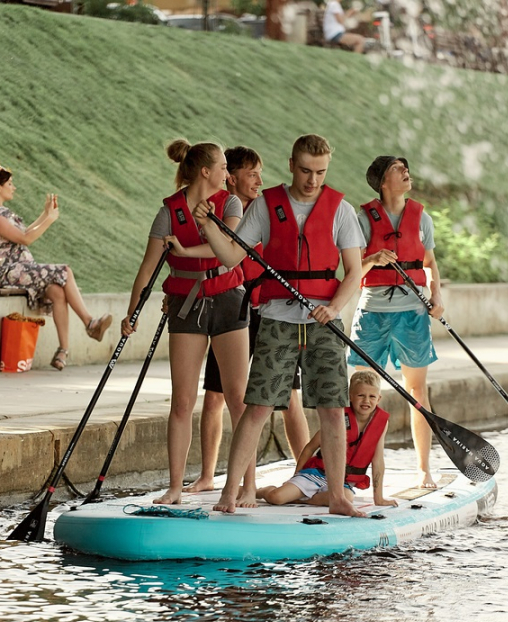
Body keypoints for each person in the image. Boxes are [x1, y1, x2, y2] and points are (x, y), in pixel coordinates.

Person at [192, 133, 366, 518]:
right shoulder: (267, 206)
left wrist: (335, 306)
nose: (313, 180)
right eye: (305, 170)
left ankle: (337, 497)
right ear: (291, 164)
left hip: (324, 322)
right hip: (277, 321)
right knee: (256, 408)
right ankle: (230, 493)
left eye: (320, 172)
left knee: (333, 409)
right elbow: (234, 256)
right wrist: (208, 228)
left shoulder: (341, 209)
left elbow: (354, 273)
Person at [123, 139, 251, 505]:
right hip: (185, 305)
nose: (230, 174)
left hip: (228, 301)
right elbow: (148, 268)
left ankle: (247, 485)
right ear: (206, 171)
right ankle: (175, 487)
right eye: (224, 167)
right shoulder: (168, 213)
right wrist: (131, 313)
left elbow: (224, 246)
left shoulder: (230, 203)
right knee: (182, 401)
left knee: (238, 398)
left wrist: (184, 250)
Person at [187, 146, 310, 493]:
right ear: (232, 176)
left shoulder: (269, 211)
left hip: (271, 311)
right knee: (214, 396)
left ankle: (307, 476)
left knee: (287, 395)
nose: (260, 180)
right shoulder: (221, 209)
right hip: (232, 310)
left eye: (260, 173)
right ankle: (209, 475)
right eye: (252, 173)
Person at [349, 155, 443, 489]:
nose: (406, 172)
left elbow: (430, 263)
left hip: (413, 314)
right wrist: (372, 259)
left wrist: (438, 297)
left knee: (417, 390)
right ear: (382, 182)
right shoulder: (361, 220)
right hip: (372, 313)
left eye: (406, 168)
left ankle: (423, 469)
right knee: (363, 392)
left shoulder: (422, 219)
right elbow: (350, 273)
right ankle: (357, 466)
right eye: (397, 169)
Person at [0, 162, 112, 371]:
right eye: (10, 183)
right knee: (64, 271)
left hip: (21, 269)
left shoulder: (2, 213)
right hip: (7, 271)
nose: (14, 187)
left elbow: (24, 233)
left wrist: (46, 214)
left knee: (57, 290)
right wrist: (50, 220)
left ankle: (62, 352)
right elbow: (25, 239)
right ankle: (90, 323)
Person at [257, 370, 398, 508]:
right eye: (361, 395)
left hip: (342, 482)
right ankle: (262, 491)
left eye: (372, 396)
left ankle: (303, 500)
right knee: (277, 498)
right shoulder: (339, 418)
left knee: (348, 497)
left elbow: (378, 460)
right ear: (350, 396)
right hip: (316, 473)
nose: (366, 401)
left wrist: (378, 498)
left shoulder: (381, 423)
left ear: (379, 398)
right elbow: (310, 447)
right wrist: (295, 477)